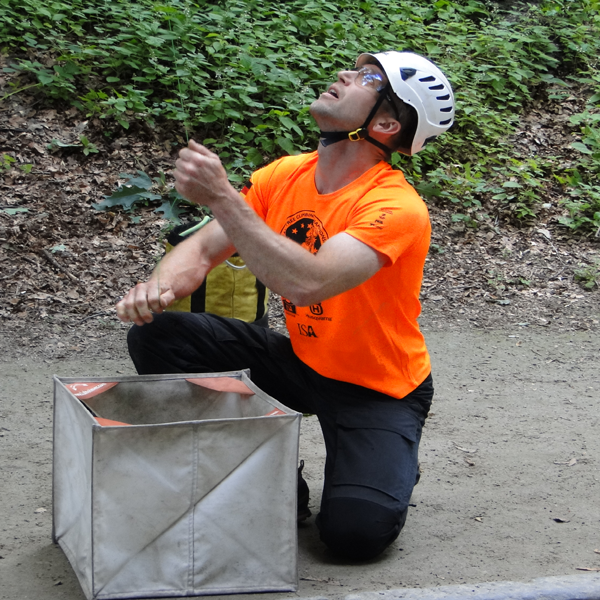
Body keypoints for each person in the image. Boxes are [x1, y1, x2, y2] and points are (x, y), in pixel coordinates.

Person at [116, 50, 455, 561]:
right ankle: (272, 476)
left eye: (367, 78)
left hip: (377, 388)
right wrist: (159, 286)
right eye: (354, 67)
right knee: (160, 333)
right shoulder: (285, 175)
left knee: (353, 537)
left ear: (386, 122)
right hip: (301, 360)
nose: (344, 75)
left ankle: (390, 461)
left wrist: (223, 197)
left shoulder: (395, 206)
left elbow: (307, 283)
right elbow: (205, 247)